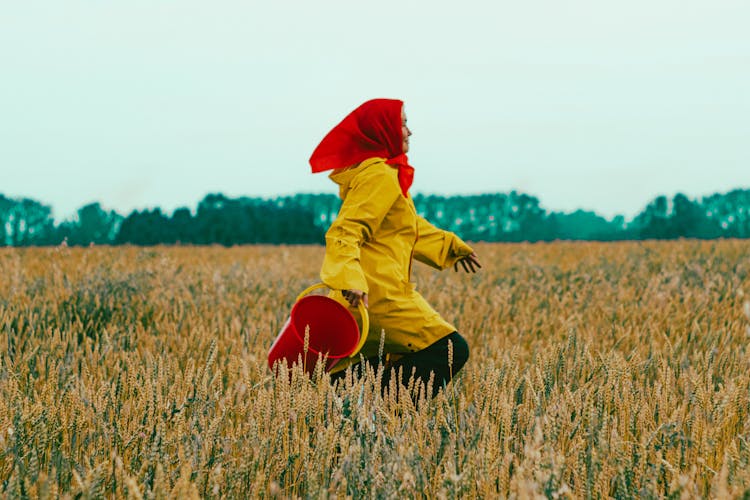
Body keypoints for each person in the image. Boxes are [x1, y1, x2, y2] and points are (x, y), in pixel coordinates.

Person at [309, 98, 481, 399]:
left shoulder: (376, 173)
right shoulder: (380, 175)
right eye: (402, 123)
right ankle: (385, 419)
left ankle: (353, 423)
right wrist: (350, 279)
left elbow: (406, 228)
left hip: (363, 298)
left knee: (363, 370)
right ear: (382, 131)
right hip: (379, 297)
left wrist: (451, 246)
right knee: (450, 349)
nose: (409, 131)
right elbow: (345, 231)